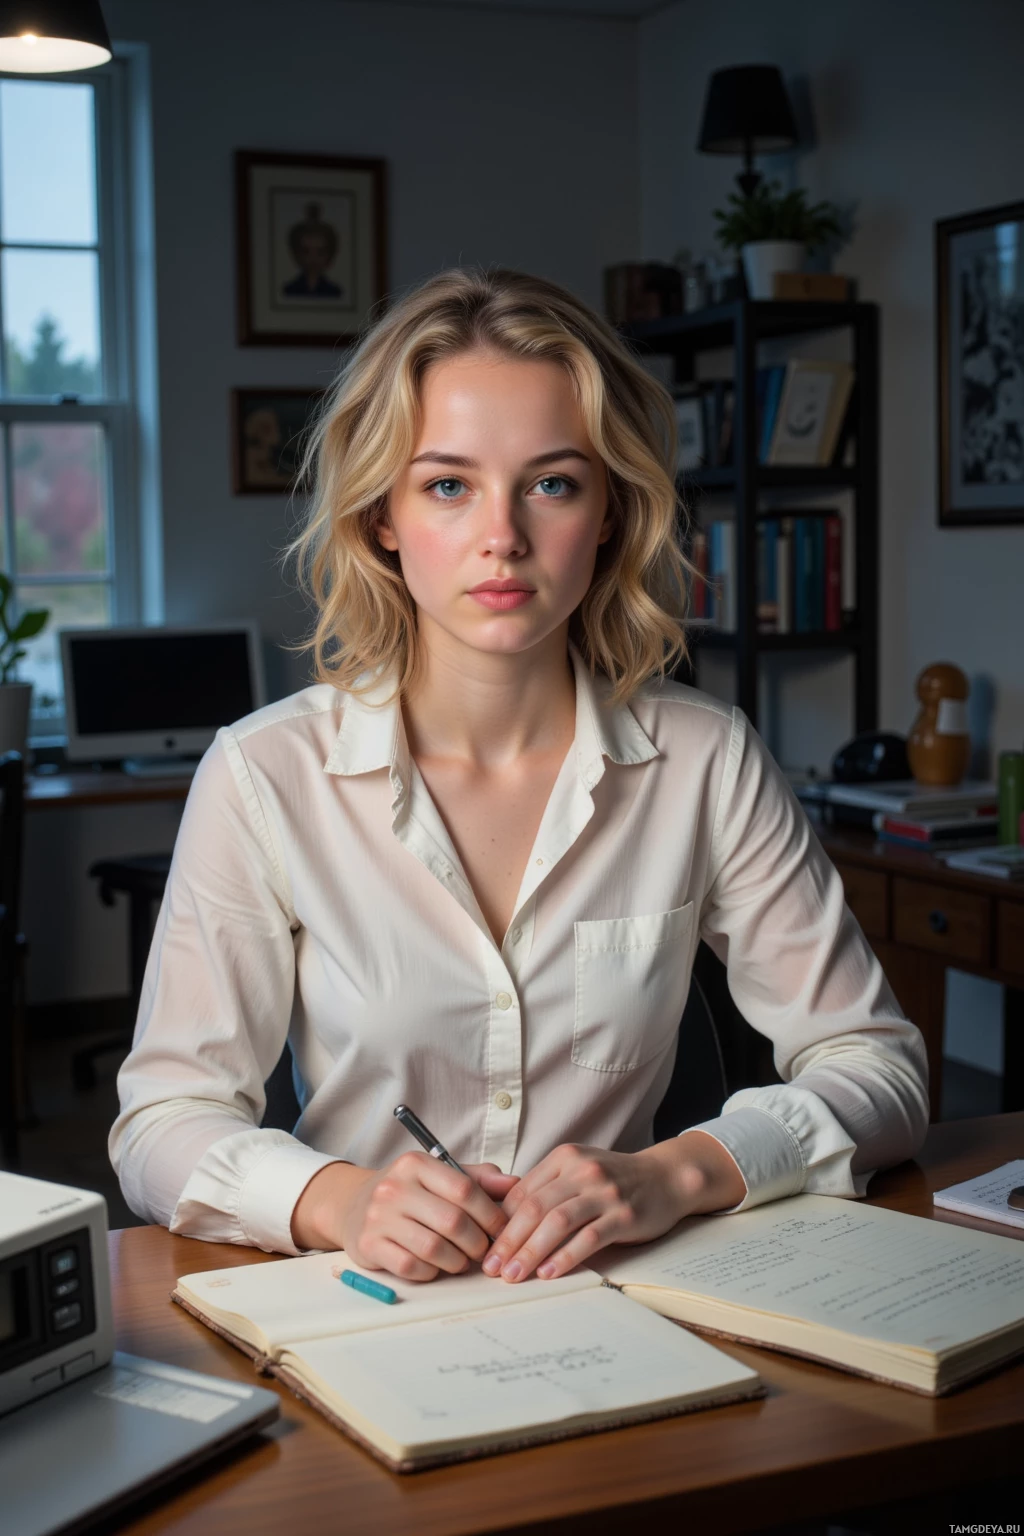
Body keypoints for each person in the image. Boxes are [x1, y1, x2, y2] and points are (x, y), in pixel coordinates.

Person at [110, 268, 928, 1286]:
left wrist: (677, 1172)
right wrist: (342, 1200)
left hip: (633, 1304)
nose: (502, 535)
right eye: (447, 484)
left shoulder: (706, 757)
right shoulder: (265, 774)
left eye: (551, 482)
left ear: (611, 513)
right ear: (382, 517)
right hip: (367, 1308)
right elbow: (159, 1126)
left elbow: (878, 1066)